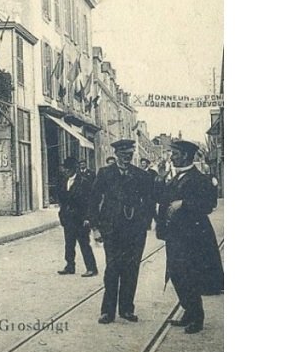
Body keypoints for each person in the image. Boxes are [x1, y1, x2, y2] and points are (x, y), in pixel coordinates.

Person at [156, 140, 224, 334]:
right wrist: (160, 179)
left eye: (175, 153)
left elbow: (209, 205)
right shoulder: (174, 178)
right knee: (177, 274)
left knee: (190, 275)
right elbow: (161, 198)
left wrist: (183, 203)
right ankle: (188, 310)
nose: (172, 157)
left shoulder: (200, 178)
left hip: (193, 236)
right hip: (175, 235)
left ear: (185, 155)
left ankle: (197, 316)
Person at [85, 139, 156, 324]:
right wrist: (95, 227)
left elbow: (149, 201)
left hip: (135, 230)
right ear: (116, 154)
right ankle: (107, 311)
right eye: (123, 155)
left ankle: (126, 309)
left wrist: (145, 223)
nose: (127, 158)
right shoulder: (105, 174)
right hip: (112, 229)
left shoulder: (141, 175)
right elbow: (93, 200)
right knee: (112, 269)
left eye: (130, 155)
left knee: (131, 269)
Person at [57, 157, 98, 277]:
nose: (65, 171)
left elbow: (89, 201)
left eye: (67, 169)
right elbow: (61, 198)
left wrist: (88, 218)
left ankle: (91, 268)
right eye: (65, 168)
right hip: (68, 217)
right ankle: (70, 266)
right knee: (69, 244)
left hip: (80, 218)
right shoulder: (64, 181)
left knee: (84, 244)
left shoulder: (84, 182)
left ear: (73, 169)